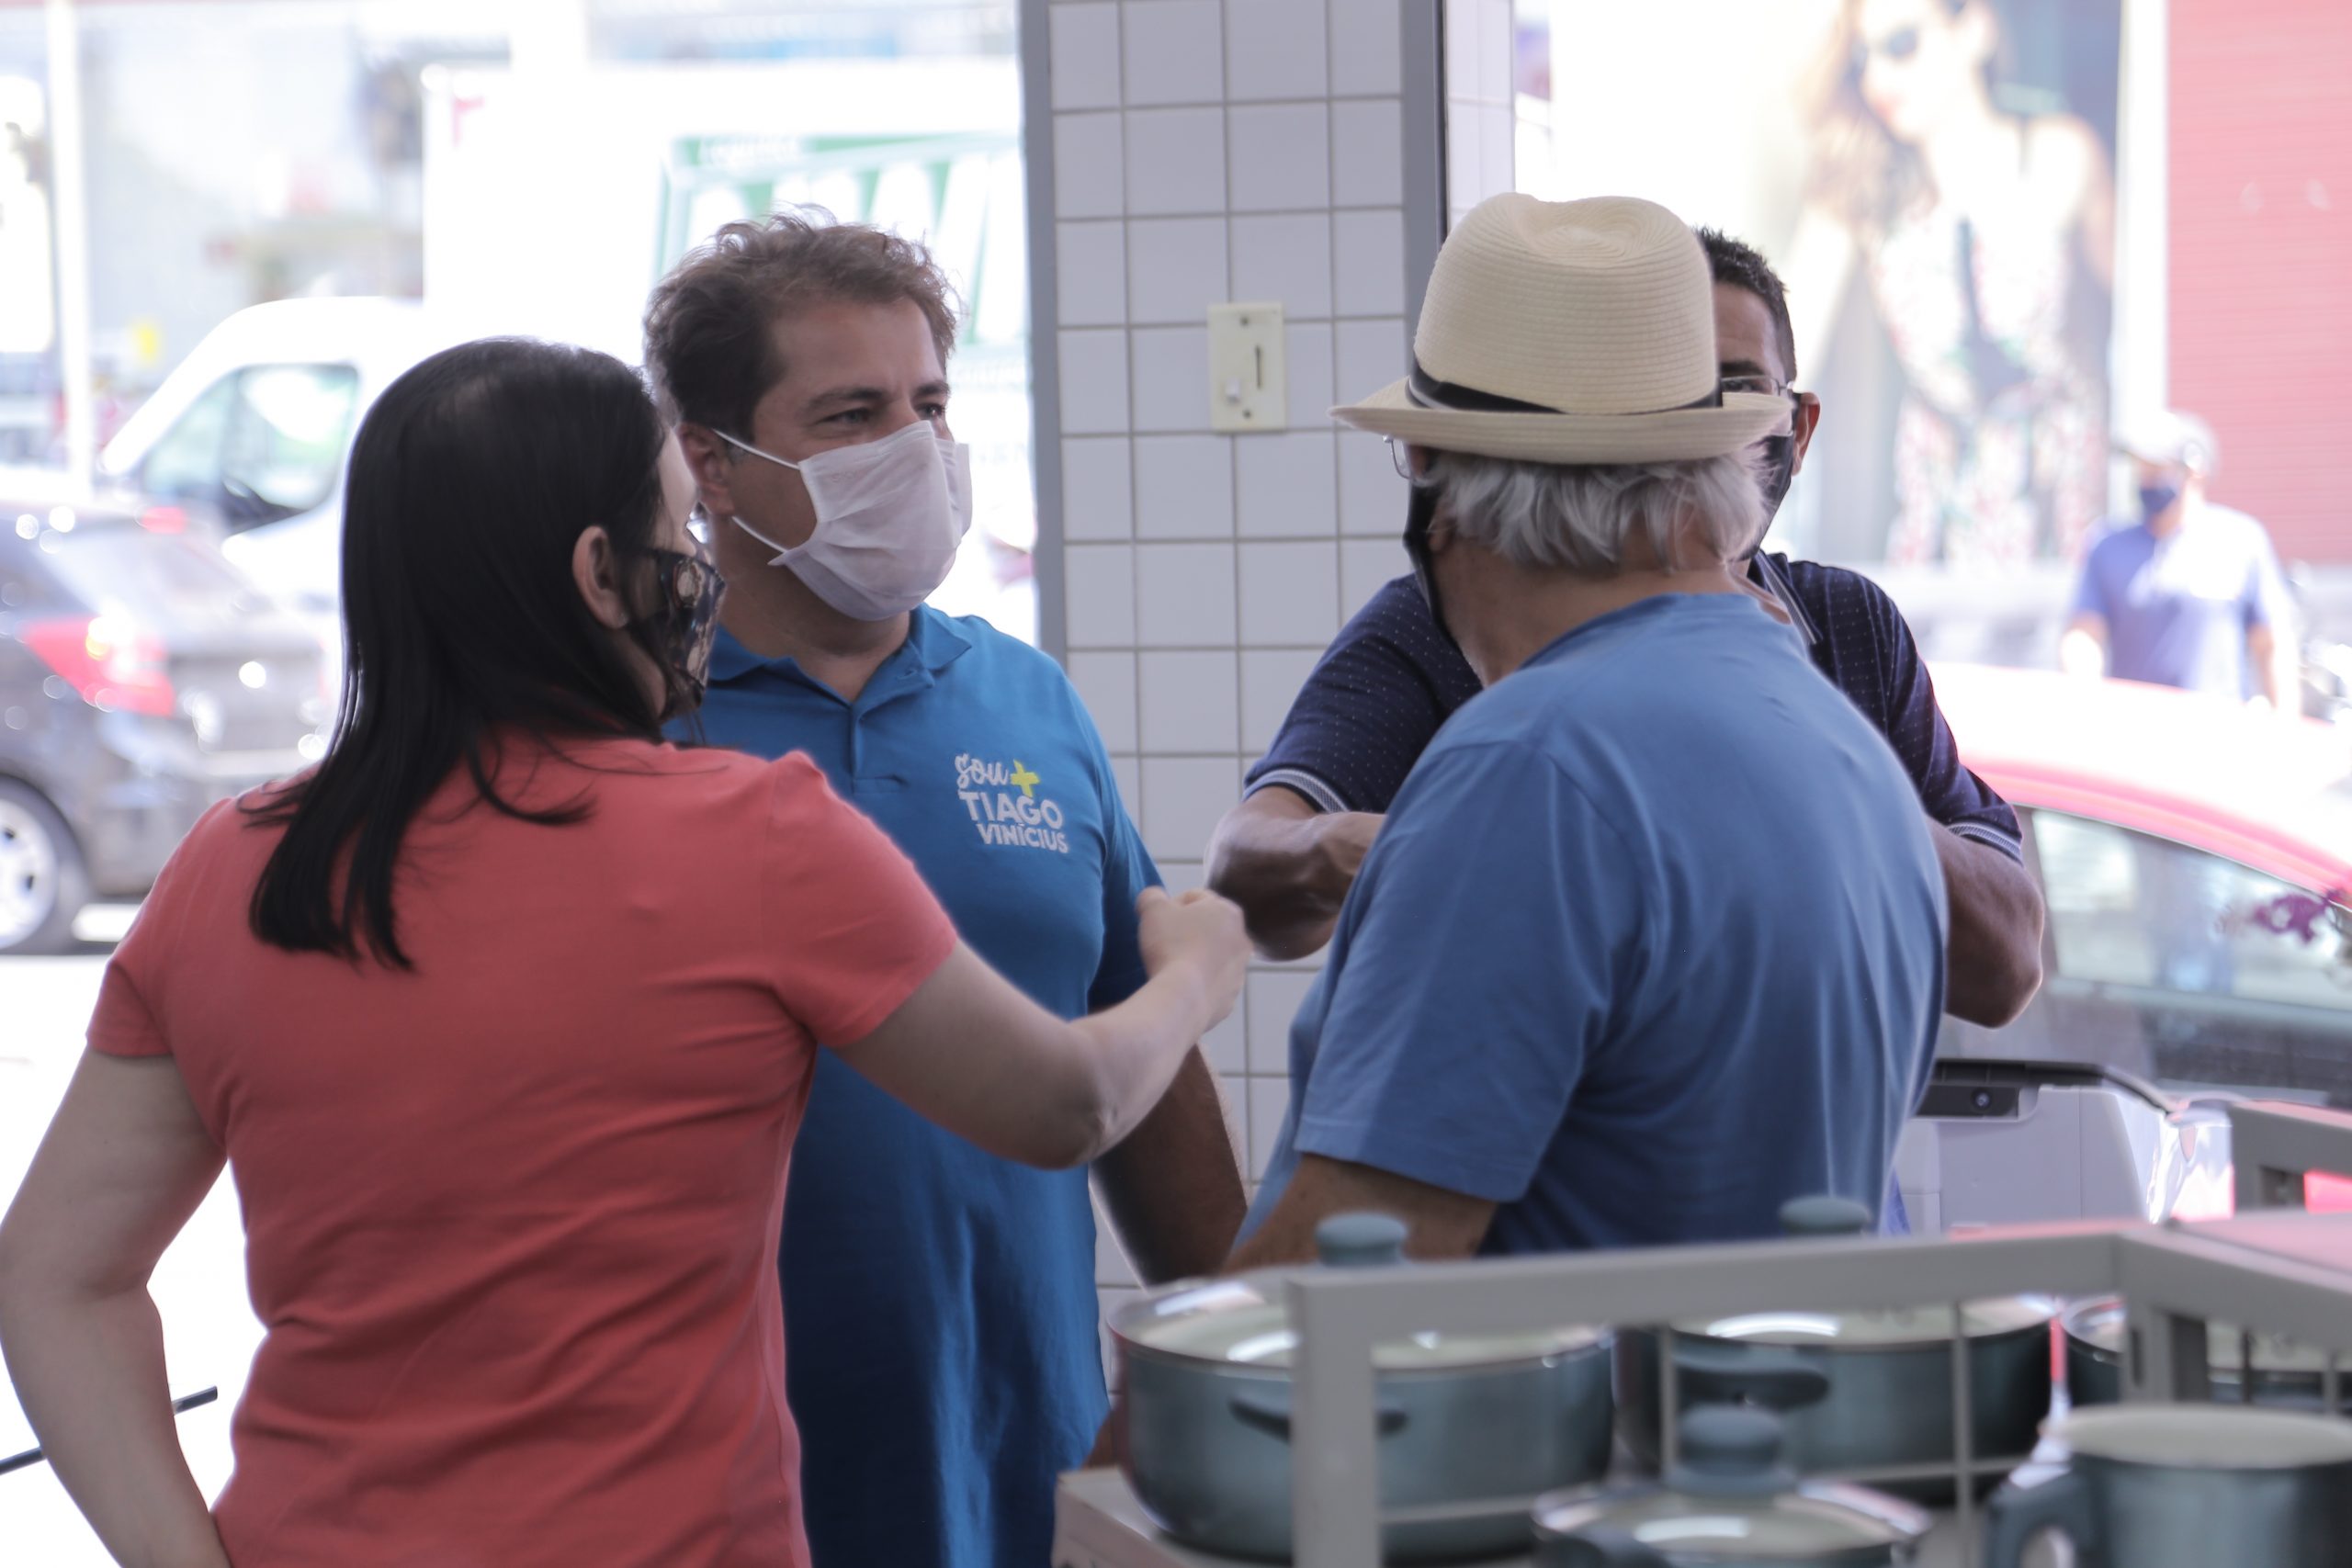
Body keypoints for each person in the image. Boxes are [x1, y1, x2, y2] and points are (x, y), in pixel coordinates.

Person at [0, 338, 1248, 1568]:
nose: (697, 569)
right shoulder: (754, 834)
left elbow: (57, 1275)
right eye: (679, 533)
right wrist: (1192, 970)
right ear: (604, 573)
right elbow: (1062, 1101)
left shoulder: (240, 863)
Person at [641, 212, 1244, 1568]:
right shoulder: (639, 730)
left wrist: (1237, 1341)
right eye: (851, 414)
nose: (913, 451)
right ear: (711, 463)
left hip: (1024, 1444)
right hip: (733, 1474)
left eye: (929, 405)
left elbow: (1136, 1046)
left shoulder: (1026, 701)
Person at [1226, 194, 1948, 1269]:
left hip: (1567, 1438)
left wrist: (1119, 1442)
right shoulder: (1835, 734)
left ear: (1437, 477)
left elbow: (1333, 1296)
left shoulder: (1527, 771)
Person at [1212, 227, 2044, 1030]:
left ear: (1794, 428)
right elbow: (1254, 867)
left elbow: (2003, 965)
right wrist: (1437, 851)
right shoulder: (1429, 633)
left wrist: (1811, 757)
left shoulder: (1844, 631)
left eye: (1737, 398)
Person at [1791, 0, 2115, 566]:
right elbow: (1786, 349)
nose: (1877, 78)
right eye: (1864, 57)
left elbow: (2157, 323)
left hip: (2065, 510)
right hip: (1938, 519)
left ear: (1975, 29)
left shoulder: (2063, 157)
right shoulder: (1862, 185)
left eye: (1901, 45)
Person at [2062, 410, 2299, 710]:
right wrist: (2082, 700)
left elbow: (2271, 644)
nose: (2145, 477)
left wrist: (2285, 724)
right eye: (2141, 467)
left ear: (2194, 468)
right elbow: (2085, 635)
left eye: (2157, 467)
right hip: (2133, 733)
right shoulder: (2108, 546)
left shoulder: (2239, 542)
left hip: (2218, 734)